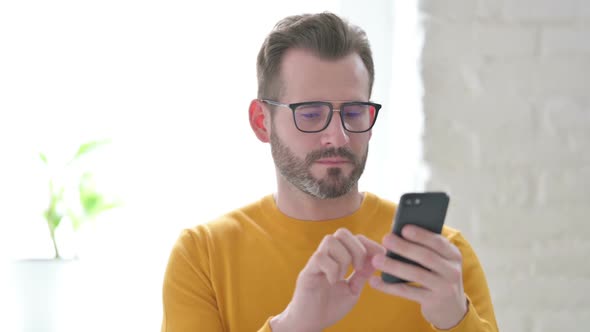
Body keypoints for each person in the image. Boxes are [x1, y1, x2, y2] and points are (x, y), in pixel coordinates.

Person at [161, 12, 498, 332]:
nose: (338, 137)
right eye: (310, 114)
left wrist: (455, 320)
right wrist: (292, 325)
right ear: (262, 122)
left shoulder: (440, 260)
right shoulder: (202, 256)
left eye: (353, 112)